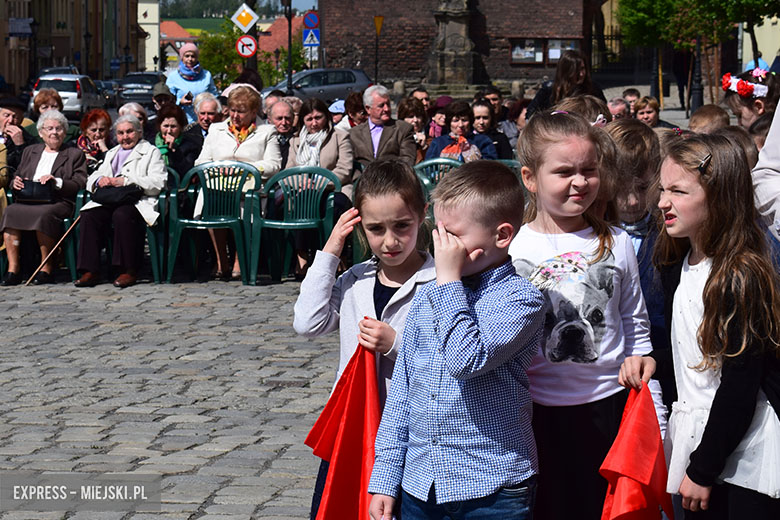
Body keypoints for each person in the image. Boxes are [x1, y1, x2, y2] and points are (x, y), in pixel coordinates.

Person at [509, 110, 666, 520]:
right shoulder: (512, 249)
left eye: (589, 170)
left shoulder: (617, 242)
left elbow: (633, 320)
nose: (579, 182)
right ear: (530, 178)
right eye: (564, 172)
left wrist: (643, 363)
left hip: (608, 407)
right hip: (534, 413)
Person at [368, 161, 547, 520]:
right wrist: (385, 477)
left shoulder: (521, 299)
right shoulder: (428, 296)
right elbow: (403, 391)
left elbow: (466, 360)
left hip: (493, 486)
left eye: (453, 236)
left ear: (501, 236)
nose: (442, 246)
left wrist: (449, 282)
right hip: (422, 483)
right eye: (438, 234)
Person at [620, 134, 780, 519]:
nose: (662, 202)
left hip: (742, 452)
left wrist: (703, 469)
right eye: (662, 189)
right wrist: (656, 359)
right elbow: (699, 352)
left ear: (719, 197)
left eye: (678, 191)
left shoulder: (740, 275)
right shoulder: (679, 261)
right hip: (704, 440)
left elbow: (740, 382)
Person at [294, 159, 435, 519]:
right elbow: (308, 322)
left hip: (410, 435)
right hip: (354, 427)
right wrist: (330, 251)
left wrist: (396, 344)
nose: (390, 241)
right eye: (376, 229)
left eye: (402, 226)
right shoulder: (356, 281)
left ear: (423, 215)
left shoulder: (438, 282)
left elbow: (447, 357)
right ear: (360, 226)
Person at [195, 85, 282, 280]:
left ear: (253, 111)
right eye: (232, 110)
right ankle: (221, 260)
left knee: (243, 207)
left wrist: (245, 169)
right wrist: (217, 167)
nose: (234, 116)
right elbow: (201, 161)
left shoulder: (267, 132)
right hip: (218, 186)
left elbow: (274, 164)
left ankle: (238, 259)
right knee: (213, 201)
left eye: (241, 111)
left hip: (249, 187)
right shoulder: (216, 129)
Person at [74, 115, 166, 288]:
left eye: (129, 132)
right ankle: (90, 270)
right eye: (121, 133)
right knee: (89, 215)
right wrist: (99, 180)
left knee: (122, 215)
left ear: (139, 132)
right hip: (111, 198)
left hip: (137, 200)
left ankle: (127, 269)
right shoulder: (112, 152)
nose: (125, 137)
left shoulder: (151, 152)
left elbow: (158, 182)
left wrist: (125, 181)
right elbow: (93, 175)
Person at [1, 110, 87, 285]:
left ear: (64, 132)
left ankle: (46, 267)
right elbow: (17, 174)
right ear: (41, 133)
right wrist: (15, 182)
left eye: (58, 128)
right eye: (49, 128)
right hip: (28, 199)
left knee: (43, 215)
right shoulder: (30, 151)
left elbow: (80, 182)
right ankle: (13, 269)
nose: (54, 132)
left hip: (58, 201)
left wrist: (57, 182)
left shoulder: (74, 154)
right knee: (10, 211)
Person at [287, 97, 355, 276]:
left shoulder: (339, 136)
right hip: (304, 191)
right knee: (301, 204)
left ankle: (338, 255)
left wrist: (320, 183)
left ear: (326, 117)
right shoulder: (295, 141)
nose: (314, 123)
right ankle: (302, 255)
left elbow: (344, 169)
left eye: (318, 118)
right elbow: (288, 173)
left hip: (334, 188)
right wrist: (301, 183)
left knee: (336, 206)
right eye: (309, 119)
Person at [526, 49, 606, 120]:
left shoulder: (593, 88)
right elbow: (531, 113)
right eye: (576, 70)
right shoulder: (550, 89)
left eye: (582, 69)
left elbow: (604, 111)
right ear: (567, 71)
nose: (581, 74)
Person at [349, 85, 416, 170]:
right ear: (368, 109)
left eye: (388, 104)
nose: (386, 109)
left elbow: (407, 161)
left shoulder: (403, 129)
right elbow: (349, 163)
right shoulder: (354, 134)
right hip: (363, 176)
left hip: (392, 176)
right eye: (381, 106)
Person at [425, 100, 498, 161]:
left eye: (464, 120)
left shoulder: (482, 141)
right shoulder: (438, 143)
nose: (460, 125)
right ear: (449, 123)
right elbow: (429, 167)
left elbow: (490, 165)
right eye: (455, 121)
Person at [165, 43, 218, 124]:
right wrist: (180, 102)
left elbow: (214, 96)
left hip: (204, 120)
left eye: (193, 56)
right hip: (182, 119)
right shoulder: (173, 77)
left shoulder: (206, 75)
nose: (190, 59)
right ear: (182, 57)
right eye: (187, 56)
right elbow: (168, 100)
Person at [154, 103, 199, 179]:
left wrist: (175, 151)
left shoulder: (190, 146)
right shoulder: (151, 144)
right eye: (166, 126)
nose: (169, 131)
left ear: (180, 127)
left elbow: (188, 173)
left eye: (173, 126)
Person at [77, 109, 112, 174]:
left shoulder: (114, 147)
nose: (98, 134)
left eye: (101, 130)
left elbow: (113, 168)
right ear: (85, 131)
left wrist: (104, 150)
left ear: (107, 130)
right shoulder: (75, 148)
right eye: (93, 130)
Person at [396, 97, 429, 164]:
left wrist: (424, 147)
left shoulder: (430, 140)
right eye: (410, 117)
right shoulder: (395, 139)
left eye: (418, 116)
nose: (415, 120)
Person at [269, 100, 296, 169]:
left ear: (293, 118)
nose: (283, 123)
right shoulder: (263, 138)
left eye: (287, 118)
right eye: (279, 118)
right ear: (269, 119)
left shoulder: (300, 138)